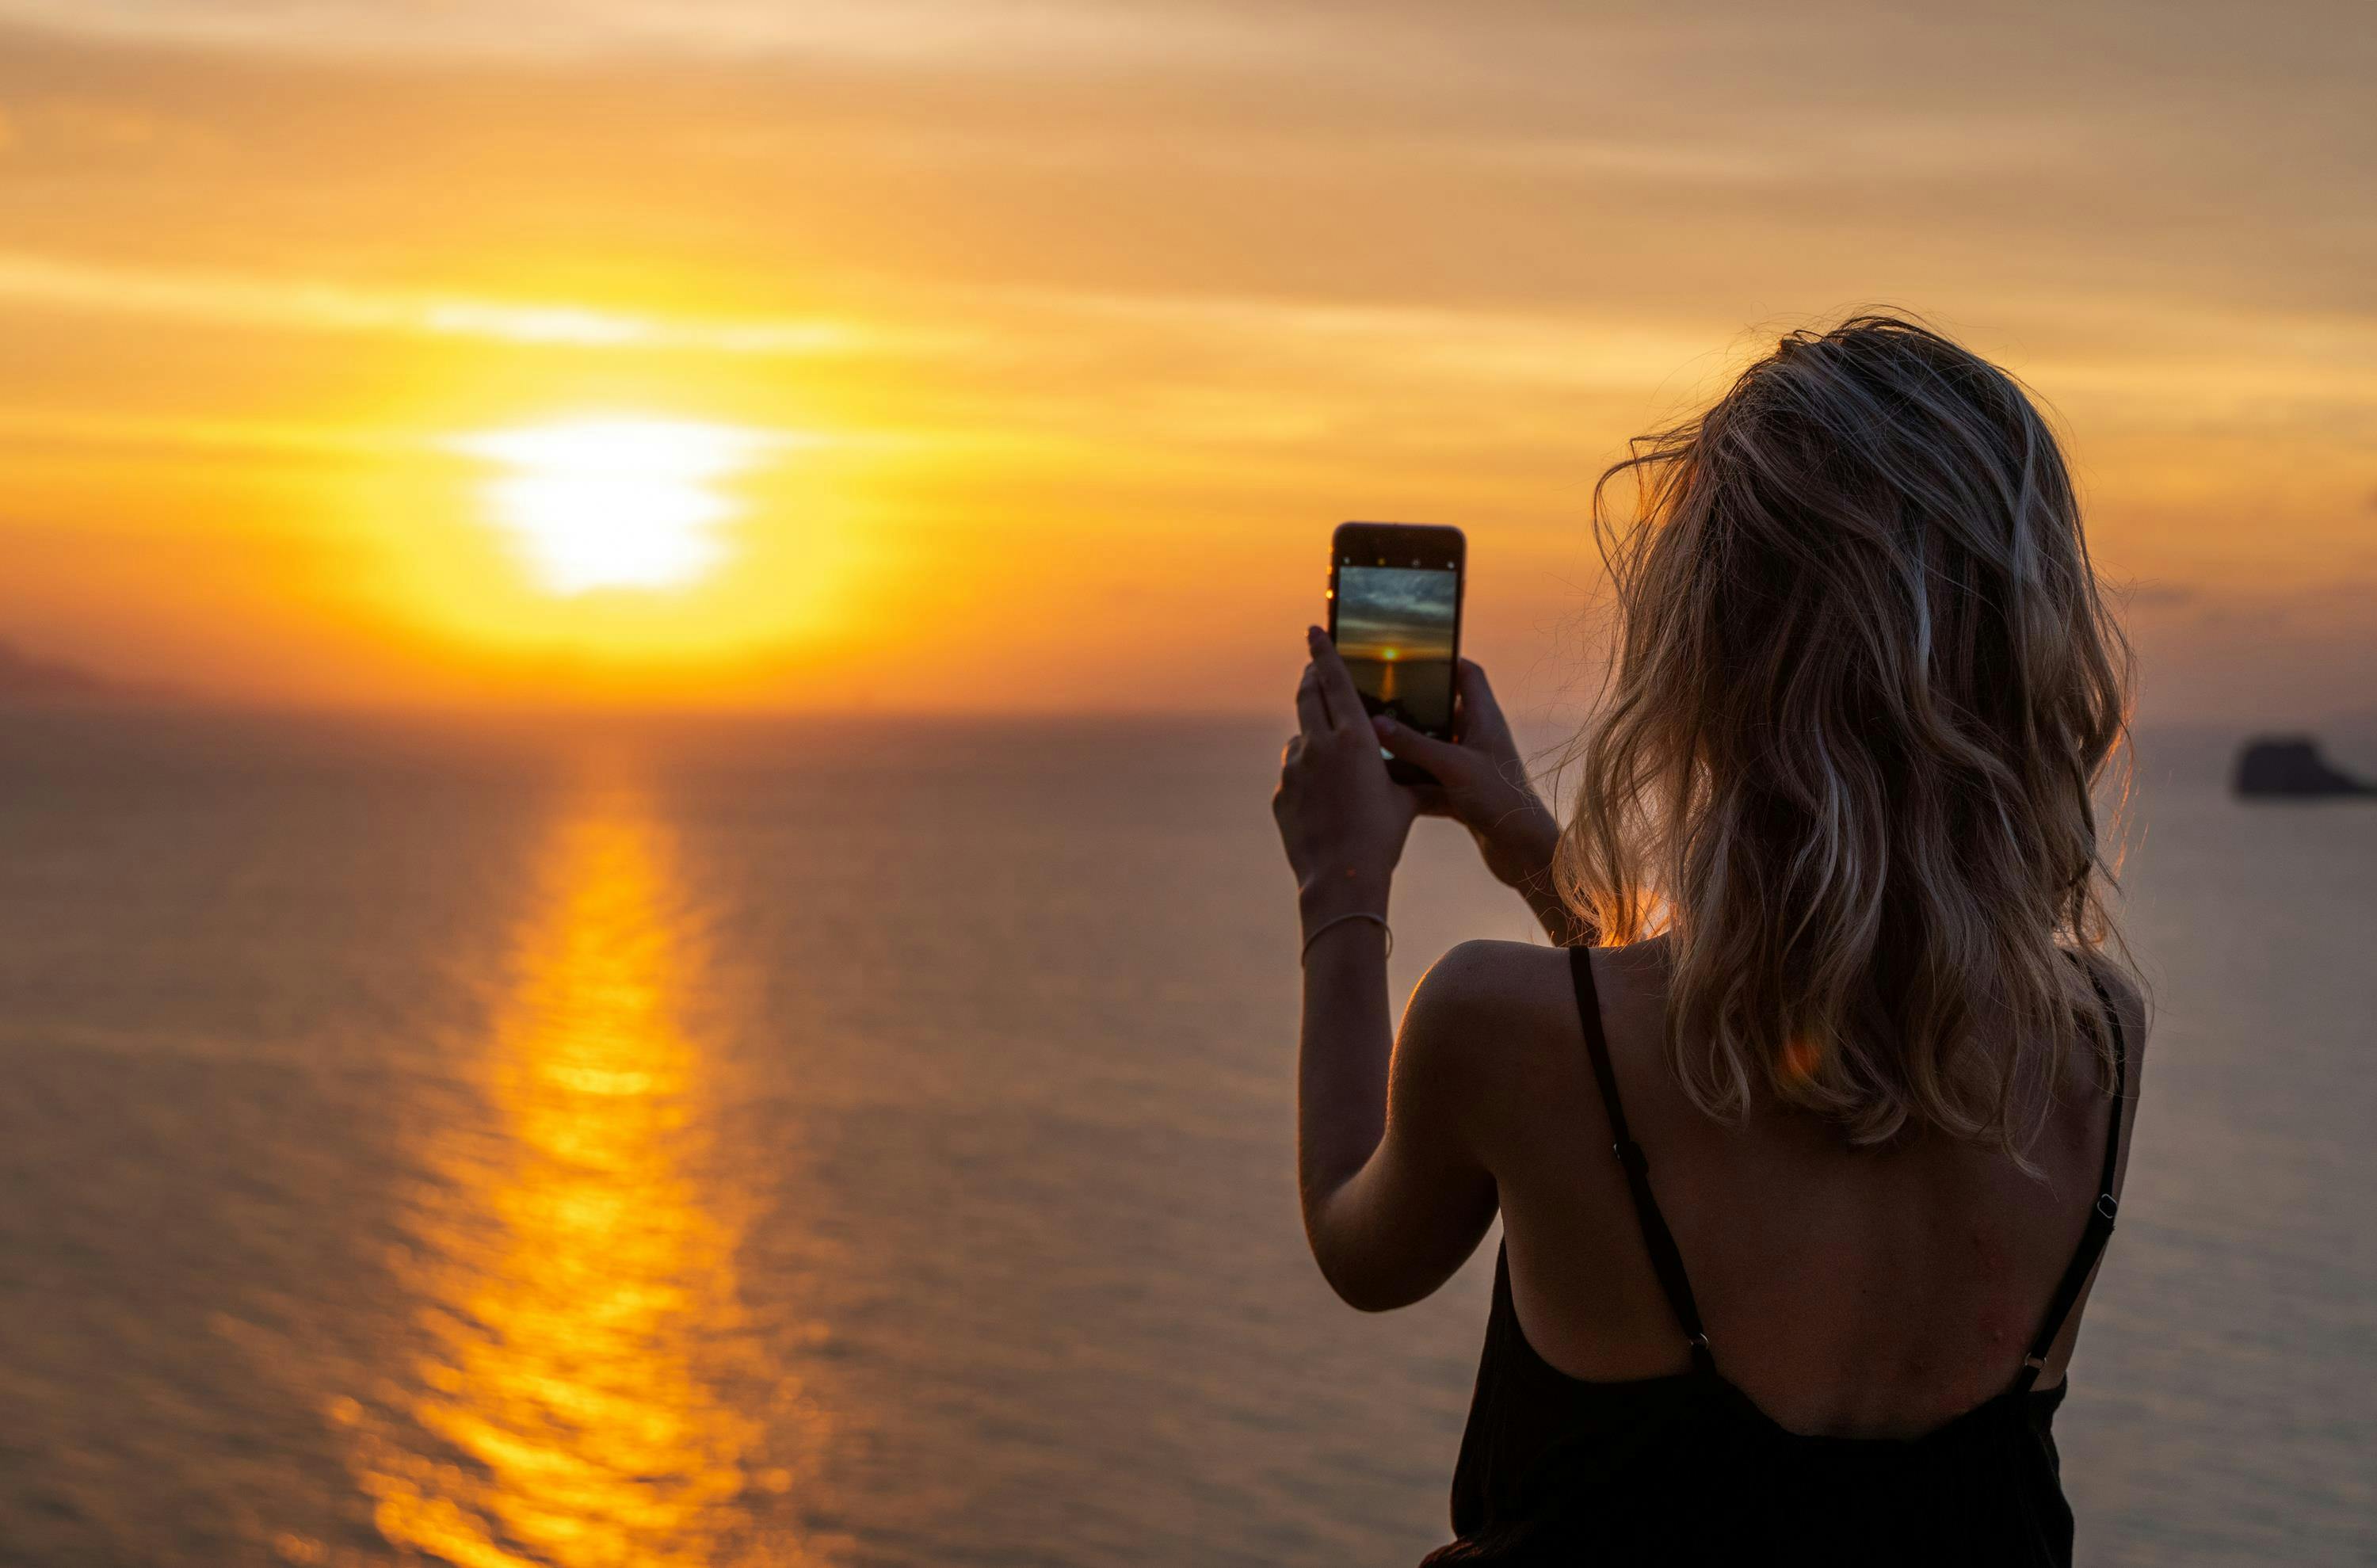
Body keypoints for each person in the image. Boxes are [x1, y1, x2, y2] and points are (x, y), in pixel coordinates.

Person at [1272, 315, 2145, 1565]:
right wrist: (1530, 843)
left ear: (1707, 655)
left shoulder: (1496, 1027)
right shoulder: (2100, 1045)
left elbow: (1360, 1244)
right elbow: (1784, 1043)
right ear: (2031, 653)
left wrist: (1340, 883)